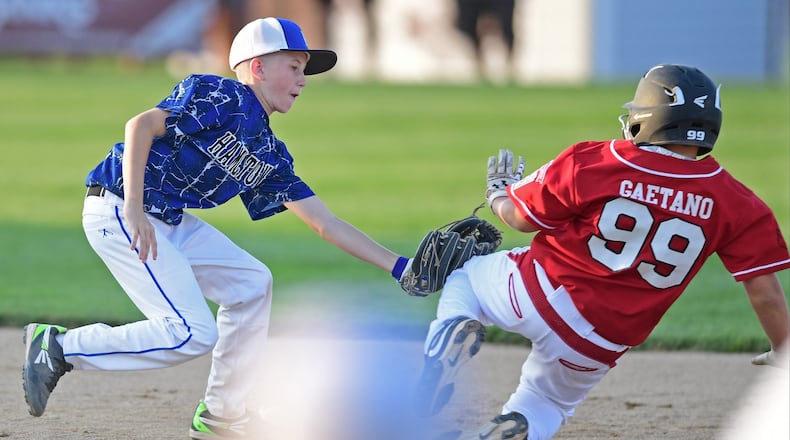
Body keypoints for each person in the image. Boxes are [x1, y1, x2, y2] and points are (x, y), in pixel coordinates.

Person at [21, 17, 412, 439]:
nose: (303, 79)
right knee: (189, 332)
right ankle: (58, 347)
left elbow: (326, 223)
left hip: (166, 218)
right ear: (258, 67)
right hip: (119, 206)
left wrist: (399, 266)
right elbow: (141, 126)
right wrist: (133, 206)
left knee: (251, 284)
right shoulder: (221, 94)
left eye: (304, 71)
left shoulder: (268, 151)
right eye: (294, 67)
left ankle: (223, 414)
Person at [413, 64, 790, 439]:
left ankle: (448, 336)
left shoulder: (599, 159)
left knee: (466, 280)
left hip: (538, 290)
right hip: (601, 340)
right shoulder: (739, 202)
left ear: (648, 117)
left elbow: (520, 219)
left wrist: (497, 194)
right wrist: (782, 350)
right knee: (547, 402)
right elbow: (766, 295)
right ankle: (518, 427)